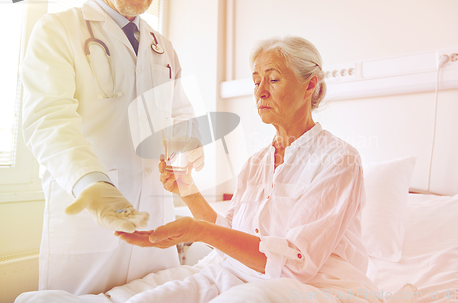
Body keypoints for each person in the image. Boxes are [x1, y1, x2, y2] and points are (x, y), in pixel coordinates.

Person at [16, 36, 382, 303]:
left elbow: (297, 262)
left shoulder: (339, 160)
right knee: (146, 299)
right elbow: (229, 233)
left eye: (273, 79)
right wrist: (187, 190)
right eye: (256, 82)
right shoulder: (258, 162)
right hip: (238, 271)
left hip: (314, 286)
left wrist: (198, 230)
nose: (260, 92)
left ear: (310, 85)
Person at [21, 0, 204, 295]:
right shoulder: (59, 29)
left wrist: (186, 145)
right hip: (90, 213)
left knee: (159, 296)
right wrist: (90, 182)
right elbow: (48, 118)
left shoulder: (162, 47)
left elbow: (180, 112)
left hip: (154, 209)